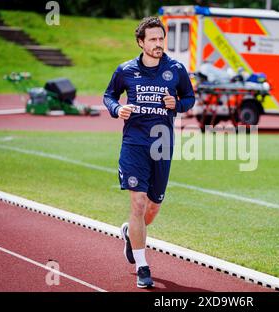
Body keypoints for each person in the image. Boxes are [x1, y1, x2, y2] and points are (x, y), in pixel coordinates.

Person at [103, 16, 195, 288]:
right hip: (134, 144)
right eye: (153, 39)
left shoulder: (176, 69)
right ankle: (143, 266)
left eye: (161, 39)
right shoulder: (126, 70)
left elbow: (189, 98)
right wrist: (118, 109)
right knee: (138, 203)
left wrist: (176, 103)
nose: (158, 44)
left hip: (162, 145)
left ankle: (130, 233)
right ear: (141, 42)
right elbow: (109, 96)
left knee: (152, 208)